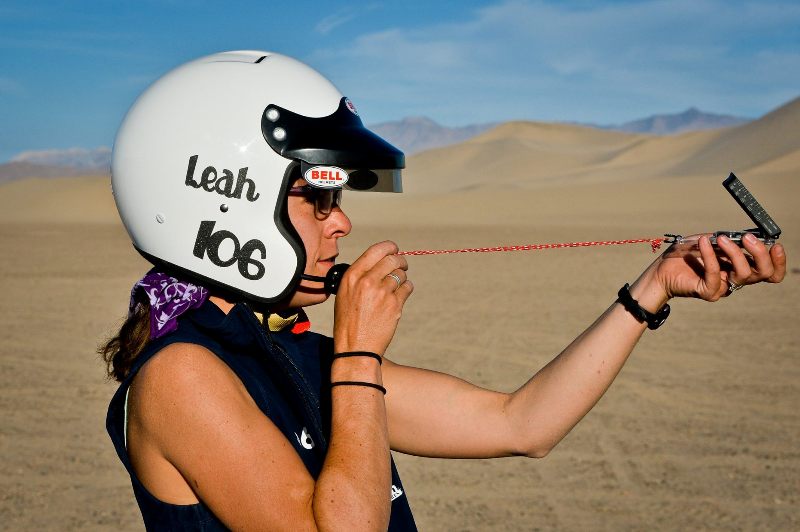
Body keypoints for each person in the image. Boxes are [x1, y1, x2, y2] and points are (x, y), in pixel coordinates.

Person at [101, 51, 787, 531]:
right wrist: (359, 355)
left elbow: (521, 424)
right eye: (318, 200)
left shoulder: (297, 353)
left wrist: (653, 287)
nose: (342, 224)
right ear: (225, 201)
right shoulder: (182, 374)